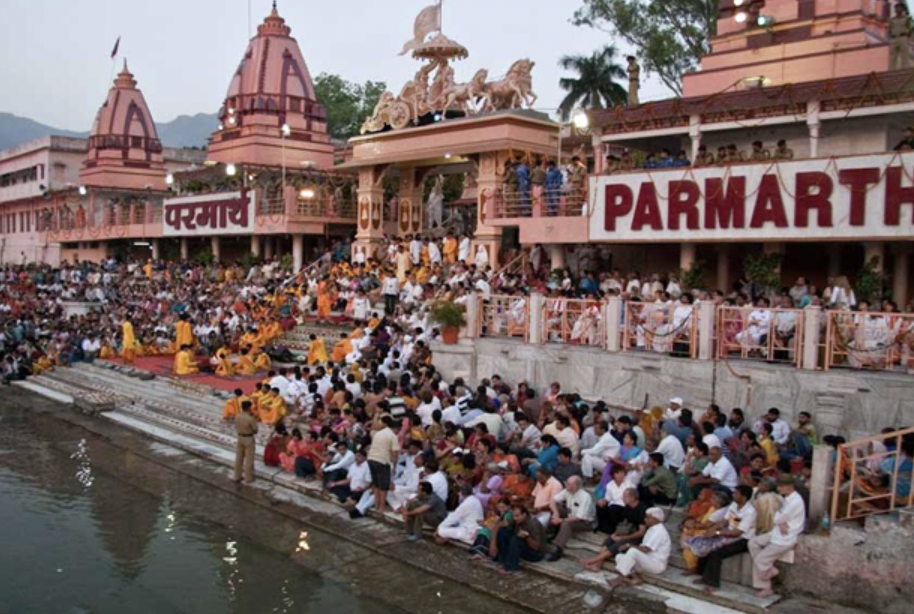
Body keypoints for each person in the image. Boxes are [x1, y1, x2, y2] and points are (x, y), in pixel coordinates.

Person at [748, 475, 806, 598]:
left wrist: (780, 521)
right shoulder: (787, 498)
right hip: (777, 531)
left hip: (786, 537)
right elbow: (779, 519)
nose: (778, 489)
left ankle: (767, 583)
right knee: (753, 542)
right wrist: (781, 522)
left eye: (781, 486)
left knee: (760, 560)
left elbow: (777, 518)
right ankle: (768, 569)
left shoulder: (795, 501)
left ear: (789, 487)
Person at [692, 484, 757, 591]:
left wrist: (717, 533)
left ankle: (713, 584)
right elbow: (724, 521)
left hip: (743, 539)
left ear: (744, 497)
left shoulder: (750, 512)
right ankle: (702, 574)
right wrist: (712, 529)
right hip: (727, 533)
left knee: (716, 553)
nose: (733, 495)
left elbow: (737, 533)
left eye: (736, 493)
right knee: (705, 543)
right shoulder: (733, 505)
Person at [610, 507, 670, 587]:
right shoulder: (652, 529)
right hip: (647, 560)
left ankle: (620, 578)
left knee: (632, 551)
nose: (645, 519)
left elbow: (646, 549)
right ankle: (636, 578)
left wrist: (629, 546)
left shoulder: (659, 531)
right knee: (619, 557)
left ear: (654, 519)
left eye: (647, 517)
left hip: (656, 564)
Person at [547, 475, 596, 561]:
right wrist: (556, 514)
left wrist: (560, 520)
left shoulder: (585, 497)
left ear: (576, 486)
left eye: (569, 484)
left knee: (566, 524)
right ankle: (556, 533)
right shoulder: (567, 491)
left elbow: (579, 517)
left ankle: (559, 549)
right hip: (571, 514)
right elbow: (552, 500)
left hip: (585, 522)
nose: (566, 485)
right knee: (556, 508)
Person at [494, 504, 546, 573]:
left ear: (524, 514)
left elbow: (537, 547)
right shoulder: (517, 520)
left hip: (536, 553)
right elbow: (501, 524)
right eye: (514, 516)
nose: (515, 518)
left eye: (517, 516)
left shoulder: (533, 524)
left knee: (515, 540)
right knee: (503, 532)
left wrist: (527, 537)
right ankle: (503, 560)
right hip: (524, 545)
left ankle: (511, 567)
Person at [367, 415, 401, 514]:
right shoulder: (393, 436)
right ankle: (381, 508)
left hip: (371, 459)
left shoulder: (378, 433)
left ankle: (377, 506)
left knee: (376, 484)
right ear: (396, 428)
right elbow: (395, 453)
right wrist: (394, 467)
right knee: (383, 486)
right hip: (382, 461)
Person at [233, 400, 258, 484]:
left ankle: (237, 475)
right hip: (248, 438)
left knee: (239, 457)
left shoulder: (237, 416)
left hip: (240, 437)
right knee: (249, 458)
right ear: (249, 408)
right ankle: (248, 477)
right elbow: (255, 430)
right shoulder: (250, 418)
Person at [890, 1, 913, 70]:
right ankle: (892, 70)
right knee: (892, 55)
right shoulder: (892, 20)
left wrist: (907, 36)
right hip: (894, 38)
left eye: (899, 8)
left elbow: (911, 28)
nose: (897, 10)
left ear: (902, 9)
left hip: (903, 37)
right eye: (896, 8)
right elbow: (889, 29)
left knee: (905, 54)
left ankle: (905, 69)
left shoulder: (907, 19)